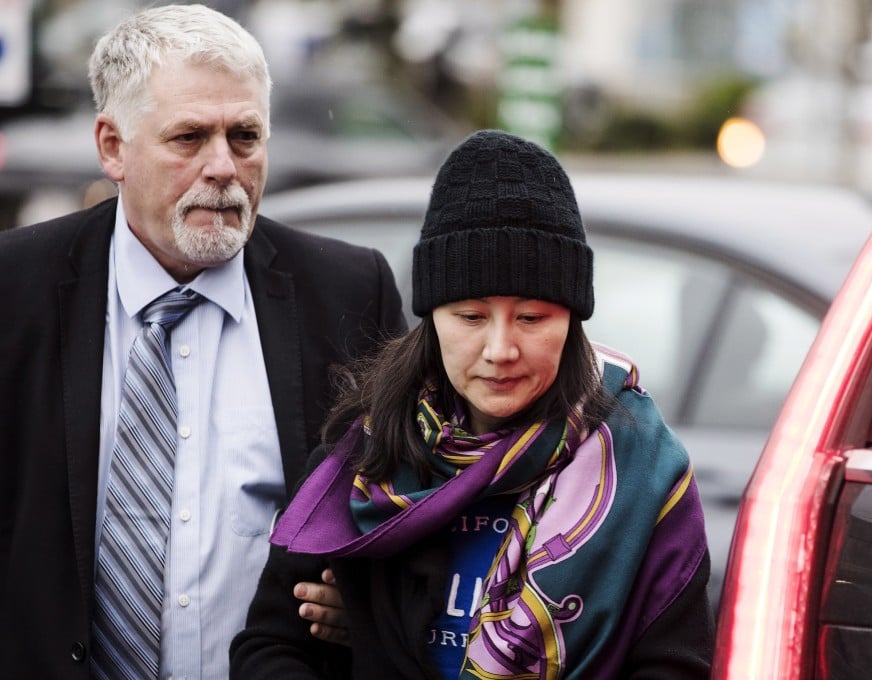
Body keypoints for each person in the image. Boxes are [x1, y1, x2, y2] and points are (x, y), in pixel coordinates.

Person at [0, 5, 405, 679]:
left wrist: (365, 601)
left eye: (244, 136)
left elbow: (406, 510)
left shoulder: (347, 291)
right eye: (189, 138)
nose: (223, 166)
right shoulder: (14, 290)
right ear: (112, 147)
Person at [230, 129, 715, 679]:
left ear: (573, 319)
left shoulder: (643, 473)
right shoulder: (368, 459)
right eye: (470, 317)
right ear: (431, 317)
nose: (500, 350)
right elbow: (269, 647)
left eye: (532, 318)